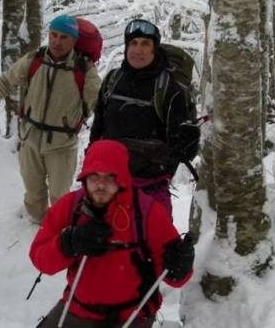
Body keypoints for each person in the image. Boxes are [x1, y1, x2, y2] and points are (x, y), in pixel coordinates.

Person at [29, 139, 194, 328]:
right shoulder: (70, 207)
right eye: (94, 177)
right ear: (84, 178)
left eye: (109, 178)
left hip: (132, 316)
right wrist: (68, 243)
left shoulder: (147, 213)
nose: (101, 185)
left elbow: (176, 277)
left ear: (122, 179)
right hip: (78, 310)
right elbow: (39, 258)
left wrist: (180, 267)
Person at [0, 15, 102, 223]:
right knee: (33, 195)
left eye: (64, 37)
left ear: (74, 41)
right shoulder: (35, 60)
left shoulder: (84, 70)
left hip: (62, 146)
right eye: (53, 35)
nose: (56, 41)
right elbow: (5, 82)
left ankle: (58, 233)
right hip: (30, 139)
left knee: (60, 198)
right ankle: (37, 223)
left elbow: (99, 107)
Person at [89, 18, 200, 213]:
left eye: (145, 44)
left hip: (150, 186)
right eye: (133, 43)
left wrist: (187, 144)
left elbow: (179, 148)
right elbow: (98, 126)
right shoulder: (112, 80)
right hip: (108, 182)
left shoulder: (169, 88)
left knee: (152, 240)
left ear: (154, 49)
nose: (138, 50)